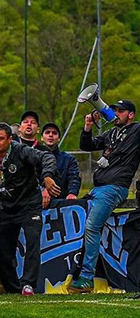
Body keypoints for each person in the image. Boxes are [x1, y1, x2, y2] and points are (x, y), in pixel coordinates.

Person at [72, 100, 139, 292]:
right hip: (98, 189)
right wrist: (87, 127)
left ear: (131, 115)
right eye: (114, 110)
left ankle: (86, 277)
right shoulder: (111, 134)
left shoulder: (136, 131)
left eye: (121, 111)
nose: (116, 113)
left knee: (92, 228)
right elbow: (87, 146)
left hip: (114, 188)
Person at [0, 122, 59, 296]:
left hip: (29, 204)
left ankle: (28, 284)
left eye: (0, 139)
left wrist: (47, 176)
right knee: (2, 252)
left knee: (32, 240)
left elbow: (47, 157)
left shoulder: (21, 151)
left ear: (10, 140)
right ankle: (13, 288)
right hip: (6, 207)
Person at [41, 122, 80, 202]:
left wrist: (72, 193)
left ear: (59, 138)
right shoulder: (33, 156)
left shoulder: (69, 159)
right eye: (47, 132)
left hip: (61, 203)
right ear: (42, 137)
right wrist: (41, 190)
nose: (51, 135)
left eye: (54, 133)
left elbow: (74, 177)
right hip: (38, 203)